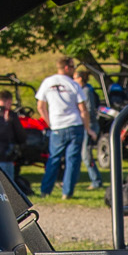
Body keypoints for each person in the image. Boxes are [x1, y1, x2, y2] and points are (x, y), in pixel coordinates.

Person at [36, 55, 87, 198]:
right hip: (75, 125)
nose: (73, 70)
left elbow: (40, 106)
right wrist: (88, 127)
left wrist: (50, 123)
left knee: (54, 159)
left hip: (57, 127)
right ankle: (67, 192)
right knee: (72, 160)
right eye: (72, 67)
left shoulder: (48, 82)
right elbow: (83, 109)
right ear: (66, 67)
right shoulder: (74, 85)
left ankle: (45, 190)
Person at [74, 65, 104, 191]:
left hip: (89, 125)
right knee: (79, 155)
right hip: (85, 125)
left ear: (80, 79)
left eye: (75, 78)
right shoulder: (82, 91)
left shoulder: (86, 91)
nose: (73, 80)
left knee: (86, 155)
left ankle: (96, 181)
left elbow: (89, 110)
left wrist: (86, 126)